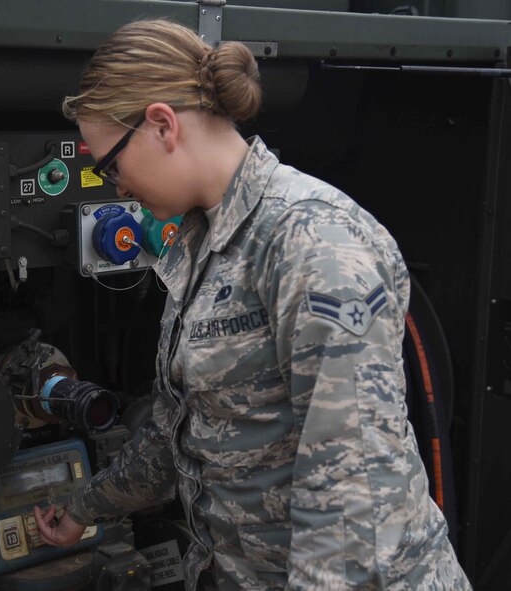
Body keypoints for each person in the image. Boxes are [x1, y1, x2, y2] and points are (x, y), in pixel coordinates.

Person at [33, 19, 470, 590]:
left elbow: (353, 482)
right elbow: (185, 432)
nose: (114, 185)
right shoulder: (202, 245)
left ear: (162, 124)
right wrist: (86, 507)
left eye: (109, 163)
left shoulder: (311, 241)